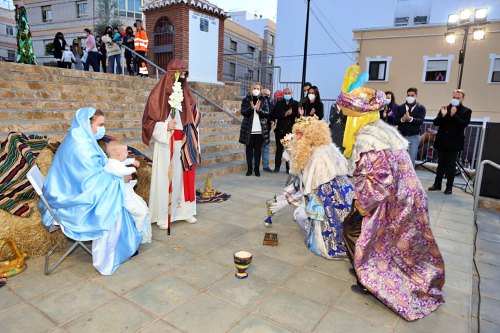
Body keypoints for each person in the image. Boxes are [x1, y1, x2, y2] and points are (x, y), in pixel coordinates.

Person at [337, 83, 444, 321]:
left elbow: (378, 180)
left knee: (352, 229)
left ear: (358, 114)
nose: (343, 115)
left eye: (346, 112)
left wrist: (362, 205)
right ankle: (364, 266)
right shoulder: (381, 129)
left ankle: (367, 279)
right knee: (386, 241)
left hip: (393, 198)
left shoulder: (368, 137)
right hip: (405, 195)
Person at [39, 107, 142, 275]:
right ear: (87, 124)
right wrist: (119, 179)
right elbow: (89, 181)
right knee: (110, 205)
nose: (102, 129)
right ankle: (110, 256)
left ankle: (124, 245)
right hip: (70, 199)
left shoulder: (82, 138)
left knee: (115, 196)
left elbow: (96, 171)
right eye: (100, 124)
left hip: (69, 191)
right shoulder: (80, 146)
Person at [273, 116, 353, 259]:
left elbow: (311, 189)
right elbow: (301, 179)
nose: (296, 137)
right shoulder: (316, 149)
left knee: (299, 215)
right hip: (324, 198)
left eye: (300, 134)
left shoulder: (320, 155)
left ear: (311, 135)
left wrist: (286, 202)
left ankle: (324, 241)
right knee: (300, 214)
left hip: (329, 204)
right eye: (296, 133)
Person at [142, 59, 201, 230]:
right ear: (171, 74)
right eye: (180, 73)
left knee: (183, 178)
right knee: (166, 177)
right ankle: (164, 214)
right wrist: (163, 126)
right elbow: (148, 121)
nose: (183, 76)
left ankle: (185, 212)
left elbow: (193, 116)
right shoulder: (157, 94)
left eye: (185, 74)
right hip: (166, 143)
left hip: (183, 142)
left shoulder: (187, 93)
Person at [103, 140, 152, 243]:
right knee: (138, 211)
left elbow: (123, 163)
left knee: (141, 205)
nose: (128, 153)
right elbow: (122, 171)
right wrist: (133, 169)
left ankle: (139, 229)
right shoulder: (112, 165)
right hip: (121, 194)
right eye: (126, 152)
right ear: (118, 154)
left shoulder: (114, 161)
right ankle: (138, 229)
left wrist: (132, 161)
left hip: (126, 190)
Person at [428, 89, 472, 195]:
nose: (455, 99)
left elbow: (463, 124)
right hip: (442, 140)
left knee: (451, 166)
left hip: (454, 142)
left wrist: (453, 115)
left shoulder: (466, 111)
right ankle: (437, 184)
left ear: (462, 99)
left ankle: (449, 187)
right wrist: (443, 115)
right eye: (454, 97)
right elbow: (436, 122)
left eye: (458, 98)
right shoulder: (445, 108)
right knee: (441, 164)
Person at [238, 82, 270, 177]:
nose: (256, 90)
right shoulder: (246, 100)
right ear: (251, 89)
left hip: (260, 130)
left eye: (258, 88)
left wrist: (259, 110)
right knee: (249, 151)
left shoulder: (263, 100)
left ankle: (256, 169)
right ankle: (249, 169)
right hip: (249, 130)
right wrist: (251, 108)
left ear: (260, 90)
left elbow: (267, 112)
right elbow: (243, 112)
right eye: (254, 88)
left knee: (258, 151)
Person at [394, 87, 426, 166]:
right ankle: (400, 177)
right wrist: (402, 119)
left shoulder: (421, 108)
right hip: (402, 136)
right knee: (400, 159)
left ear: (416, 96)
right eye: (408, 95)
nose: (410, 97)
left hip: (414, 137)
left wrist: (410, 119)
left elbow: (420, 121)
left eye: (412, 95)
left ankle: (410, 178)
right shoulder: (401, 107)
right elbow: (395, 120)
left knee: (411, 160)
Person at [273, 87, 299, 173]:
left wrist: (291, 114)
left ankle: (289, 169)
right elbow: (275, 115)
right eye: (286, 93)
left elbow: (298, 116)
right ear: (283, 94)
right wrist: (285, 114)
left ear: (292, 93)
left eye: (289, 93)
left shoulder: (296, 104)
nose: (287, 94)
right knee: (279, 150)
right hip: (280, 130)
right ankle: (277, 167)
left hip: (290, 130)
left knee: (289, 150)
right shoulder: (279, 103)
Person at [261, 88, 273, 172]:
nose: (267, 96)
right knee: (257, 149)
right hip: (259, 129)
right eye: (265, 94)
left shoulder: (271, 104)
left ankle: (266, 166)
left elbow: (272, 115)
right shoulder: (259, 102)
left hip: (267, 130)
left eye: (269, 95)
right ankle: (254, 166)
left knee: (266, 148)